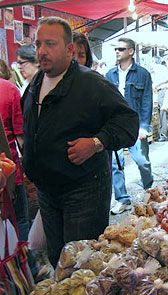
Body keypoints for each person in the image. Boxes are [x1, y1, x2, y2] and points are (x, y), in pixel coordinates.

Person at [22, 17, 139, 267]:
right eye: (38, 44)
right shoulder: (36, 83)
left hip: (83, 190)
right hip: (48, 191)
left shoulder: (92, 84)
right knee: (57, 259)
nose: (42, 51)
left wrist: (96, 142)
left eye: (50, 44)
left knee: (81, 263)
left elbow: (128, 123)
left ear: (69, 49)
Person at [106, 38, 153, 215]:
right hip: (115, 124)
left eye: (121, 48)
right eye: (116, 49)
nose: (117, 51)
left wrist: (144, 126)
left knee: (142, 161)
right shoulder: (110, 74)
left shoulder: (143, 74)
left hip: (135, 124)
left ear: (131, 51)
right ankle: (122, 199)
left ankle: (148, 187)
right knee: (116, 163)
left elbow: (147, 100)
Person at [0, 77, 28, 241]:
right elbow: (21, 137)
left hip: (8, 175)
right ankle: (26, 264)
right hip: (9, 175)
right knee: (20, 222)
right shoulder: (9, 89)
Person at [152, 57, 168, 142]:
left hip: (162, 91)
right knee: (164, 114)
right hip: (162, 91)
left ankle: (164, 134)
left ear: (154, 61)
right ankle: (166, 134)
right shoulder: (162, 68)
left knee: (163, 113)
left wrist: (157, 84)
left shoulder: (158, 68)